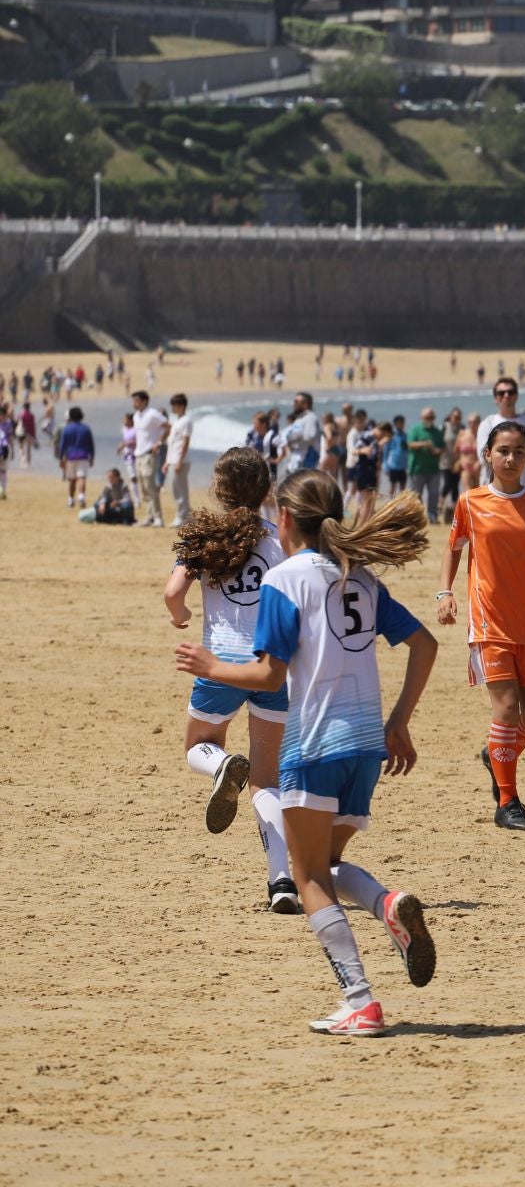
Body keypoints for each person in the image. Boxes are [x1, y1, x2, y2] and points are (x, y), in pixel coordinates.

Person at [172, 469, 439, 1038]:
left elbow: (270, 675)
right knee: (325, 865)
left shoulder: (285, 581)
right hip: (366, 745)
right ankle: (388, 907)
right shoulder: (361, 578)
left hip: (314, 740)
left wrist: (209, 665)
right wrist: (399, 723)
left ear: (285, 518)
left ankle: (361, 1002)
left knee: (308, 876)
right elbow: (425, 643)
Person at [162, 447, 294, 914]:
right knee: (267, 781)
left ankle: (219, 766)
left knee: (198, 745)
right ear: (266, 491)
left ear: (219, 490)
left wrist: (182, 616)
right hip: (272, 666)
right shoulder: (280, 539)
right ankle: (281, 881)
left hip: (219, 662)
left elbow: (172, 591)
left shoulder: (201, 538)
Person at [438, 421, 525, 833]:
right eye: (503, 451)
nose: (511, 459)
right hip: (487, 621)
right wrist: (444, 593)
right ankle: (509, 801)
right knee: (507, 708)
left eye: (518, 452)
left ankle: (496, 753)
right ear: (488, 455)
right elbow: (453, 548)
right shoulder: (471, 502)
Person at [477, 378, 525, 483]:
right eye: (501, 393)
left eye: (510, 392)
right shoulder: (487, 424)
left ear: (516, 396)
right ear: (495, 398)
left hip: (524, 487)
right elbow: (482, 456)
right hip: (491, 488)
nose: (506, 396)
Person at [129, 389, 169, 527]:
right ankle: (149, 516)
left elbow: (168, 427)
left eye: (136, 401)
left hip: (149, 454)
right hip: (138, 454)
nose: (134, 403)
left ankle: (158, 518)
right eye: (133, 401)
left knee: (151, 487)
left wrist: (159, 443)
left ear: (144, 401)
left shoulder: (152, 414)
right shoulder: (136, 416)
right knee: (144, 488)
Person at [404, 407, 445, 523]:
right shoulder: (415, 430)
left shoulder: (437, 431)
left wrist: (437, 451)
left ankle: (432, 516)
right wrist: (425, 444)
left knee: (434, 494)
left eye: (431, 417)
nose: (429, 419)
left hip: (434, 469)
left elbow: (442, 447)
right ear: (422, 418)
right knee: (416, 495)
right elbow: (410, 444)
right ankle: (416, 518)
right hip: (417, 469)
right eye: (427, 417)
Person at [163, 393, 194, 526]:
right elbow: (172, 443)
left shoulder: (186, 421)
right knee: (176, 489)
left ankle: (182, 517)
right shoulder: (177, 421)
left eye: (174, 405)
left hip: (180, 460)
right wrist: (167, 461)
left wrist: (180, 460)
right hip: (173, 459)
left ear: (181, 405)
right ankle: (188, 516)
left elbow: (185, 442)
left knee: (180, 490)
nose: (172, 408)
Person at [58, 405, 94, 507]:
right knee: (82, 477)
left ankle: (70, 499)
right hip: (83, 455)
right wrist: (92, 457)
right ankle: (81, 496)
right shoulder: (86, 429)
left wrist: (61, 458)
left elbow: (63, 445)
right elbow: (91, 444)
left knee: (72, 479)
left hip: (71, 456)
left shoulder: (67, 429)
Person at [283, 393, 320, 471]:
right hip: (297, 459)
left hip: (306, 459)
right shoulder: (300, 418)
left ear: (305, 404)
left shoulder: (310, 418)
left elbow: (310, 438)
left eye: (296, 401)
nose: (294, 404)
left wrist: (294, 440)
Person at [381, 417, 409, 502]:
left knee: (403, 486)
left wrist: (408, 465)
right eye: (399, 423)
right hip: (393, 466)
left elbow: (408, 451)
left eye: (402, 423)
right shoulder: (391, 436)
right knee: (393, 486)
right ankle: (390, 502)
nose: (401, 425)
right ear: (395, 424)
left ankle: (402, 504)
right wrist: (385, 465)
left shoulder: (405, 436)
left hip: (403, 466)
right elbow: (386, 451)